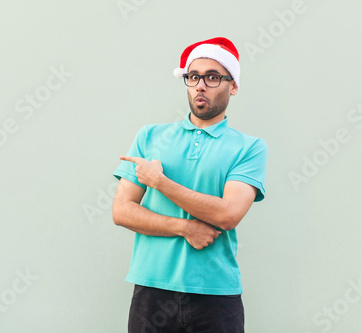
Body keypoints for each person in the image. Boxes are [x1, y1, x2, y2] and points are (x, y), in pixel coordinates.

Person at [112, 37, 268, 333]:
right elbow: (121, 211)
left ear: (232, 86)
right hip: (151, 289)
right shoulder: (150, 136)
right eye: (193, 76)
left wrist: (159, 182)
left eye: (212, 77)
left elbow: (227, 215)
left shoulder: (249, 148)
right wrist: (184, 227)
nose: (200, 85)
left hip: (216, 294)